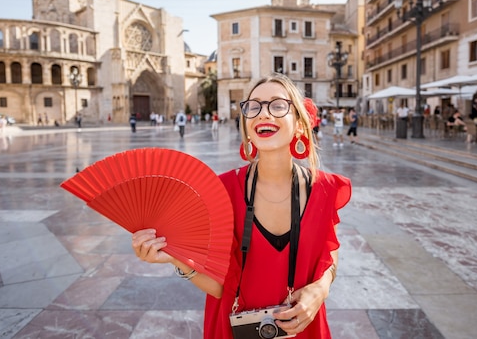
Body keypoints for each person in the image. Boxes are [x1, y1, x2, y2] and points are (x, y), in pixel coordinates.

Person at [132, 73, 351, 338]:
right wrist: (176, 259)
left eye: (278, 105)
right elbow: (220, 288)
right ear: (246, 125)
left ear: (300, 124)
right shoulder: (221, 191)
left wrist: (321, 289)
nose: (263, 113)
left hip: (303, 329)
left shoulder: (324, 189)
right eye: (253, 106)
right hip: (233, 329)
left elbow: (330, 252)